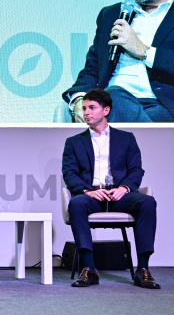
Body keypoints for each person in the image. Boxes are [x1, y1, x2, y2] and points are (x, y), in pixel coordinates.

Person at [62, 88, 160, 289]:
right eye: (84, 108)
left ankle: (143, 269)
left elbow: (136, 170)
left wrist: (124, 188)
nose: (86, 112)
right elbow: (69, 173)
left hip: (119, 195)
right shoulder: (73, 142)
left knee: (147, 202)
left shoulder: (126, 138)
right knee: (77, 203)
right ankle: (89, 269)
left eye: (91, 108)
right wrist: (88, 191)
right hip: (92, 195)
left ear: (106, 110)